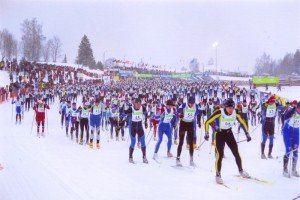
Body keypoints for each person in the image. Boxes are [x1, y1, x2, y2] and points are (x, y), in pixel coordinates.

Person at [204, 98, 251, 184]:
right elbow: (207, 122)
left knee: (236, 153)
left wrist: (247, 133)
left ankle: (241, 170)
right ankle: (218, 175)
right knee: (220, 155)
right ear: (225, 107)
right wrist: (207, 133)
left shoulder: (235, 112)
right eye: (229, 108)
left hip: (229, 133)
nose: (231, 110)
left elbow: (243, 122)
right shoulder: (219, 112)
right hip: (220, 134)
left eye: (232, 108)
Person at [176, 96, 201, 167]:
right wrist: (180, 115)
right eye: (190, 103)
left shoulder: (196, 106)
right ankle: (178, 158)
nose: (191, 105)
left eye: (192, 103)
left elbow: (199, 111)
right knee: (181, 142)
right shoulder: (183, 105)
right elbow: (177, 112)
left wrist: (202, 112)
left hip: (190, 124)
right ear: (188, 102)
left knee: (191, 142)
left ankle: (191, 160)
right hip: (183, 124)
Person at [125, 98, 148, 164]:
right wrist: (124, 110)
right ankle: (130, 157)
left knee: (143, 140)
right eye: (137, 104)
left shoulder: (142, 108)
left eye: (139, 104)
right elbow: (124, 113)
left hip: (140, 126)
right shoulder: (131, 108)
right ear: (134, 103)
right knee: (133, 142)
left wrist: (146, 122)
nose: (138, 105)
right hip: (133, 127)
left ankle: (144, 157)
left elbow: (146, 114)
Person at [282, 102, 300, 178]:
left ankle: (293, 170)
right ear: (297, 107)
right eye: (299, 108)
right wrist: (293, 109)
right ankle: (285, 169)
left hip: (296, 132)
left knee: (296, 150)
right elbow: (285, 116)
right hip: (287, 132)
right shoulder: (292, 111)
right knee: (288, 149)